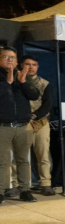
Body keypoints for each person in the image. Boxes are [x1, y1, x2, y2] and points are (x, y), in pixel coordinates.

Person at [0, 46, 40, 204]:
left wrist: (23, 82)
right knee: (2, 161)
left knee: (23, 160)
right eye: (6, 57)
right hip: (3, 126)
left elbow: (34, 95)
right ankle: (1, 191)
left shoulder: (22, 75)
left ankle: (25, 190)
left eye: (12, 58)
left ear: (17, 62)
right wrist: (7, 82)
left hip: (22, 126)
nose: (9, 60)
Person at [20, 55, 55, 196]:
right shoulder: (16, 82)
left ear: (38, 67)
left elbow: (48, 104)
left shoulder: (44, 83)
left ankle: (46, 183)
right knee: (21, 156)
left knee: (43, 154)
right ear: (21, 65)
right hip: (21, 122)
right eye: (27, 64)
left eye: (34, 64)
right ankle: (20, 185)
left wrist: (34, 116)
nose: (31, 67)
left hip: (41, 122)